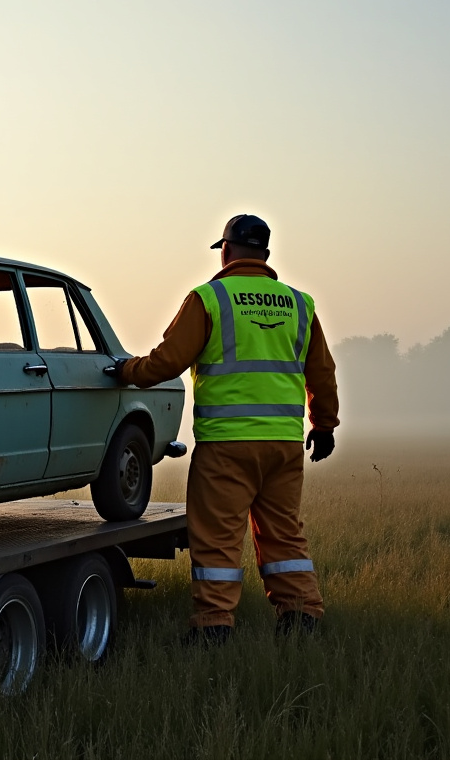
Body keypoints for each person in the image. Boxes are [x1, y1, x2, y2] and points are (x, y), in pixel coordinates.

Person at [110, 214, 339, 645]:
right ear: (266, 256)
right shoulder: (300, 303)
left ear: (227, 252)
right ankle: (301, 619)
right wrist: (324, 424)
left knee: (217, 540)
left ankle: (214, 627)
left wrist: (125, 370)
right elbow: (322, 372)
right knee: (284, 534)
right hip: (284, 447)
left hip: (226, 447)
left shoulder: (210, 298)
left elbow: (166, 363)